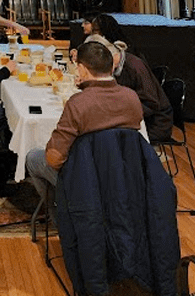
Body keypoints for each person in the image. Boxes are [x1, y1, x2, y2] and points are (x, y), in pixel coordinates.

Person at [25, 41, 143, 217]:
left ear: (82, 69)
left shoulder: (78, 103)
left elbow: (54, 158)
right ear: (112, 68)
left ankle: (61, 219)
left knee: (33, 157)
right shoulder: (131, 97)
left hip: (87, 179)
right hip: (124, 176)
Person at [88, 13, 173, 142]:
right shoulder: (118, 66)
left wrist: (121, 112)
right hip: (137, 115)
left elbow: (151, 104)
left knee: (103, 133)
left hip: (155, 123)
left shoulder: (134, 66)